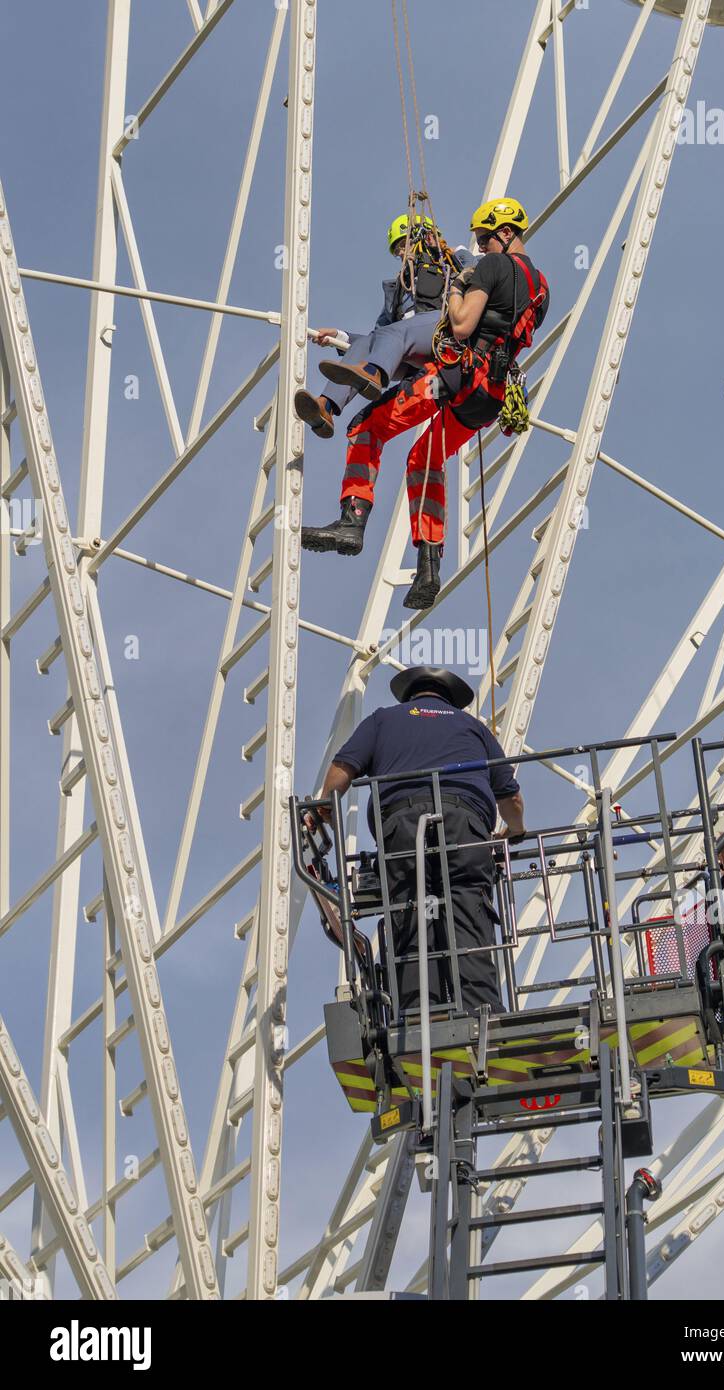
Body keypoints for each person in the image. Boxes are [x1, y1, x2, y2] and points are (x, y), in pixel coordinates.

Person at [301, 197, 549, 611]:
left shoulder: (488, 265)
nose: (482, 244)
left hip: (455, 378)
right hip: (490, 397)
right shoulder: (541, 287)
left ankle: (352, 521)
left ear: (505, 234)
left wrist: (455, 290)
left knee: (367, 427)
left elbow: (462, 324)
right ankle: (429, 567)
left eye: (486, 238)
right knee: (425, 459)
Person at [319, 666, 526, 1016]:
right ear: (450, 699)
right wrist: (516, 831)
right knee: (468, 909)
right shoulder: (472, 727)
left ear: (410, 695)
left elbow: (341, 773)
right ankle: (482, 1013)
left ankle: (417, 1013)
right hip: (465, 826)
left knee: (411, 907)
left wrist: (324, 807)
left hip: (403, 826)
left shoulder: (383, 720)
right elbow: (512, 800)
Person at [294, 214, 475, 439]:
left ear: (421, 236)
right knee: (371, 341)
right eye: (396, 249)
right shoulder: (399, 288)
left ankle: (373, 373)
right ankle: (325, 407)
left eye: (402, 244)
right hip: (407, 347)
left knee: (391, 333)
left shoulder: (452, 258)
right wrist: (340, 337)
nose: (400, 253)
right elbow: (378, 337)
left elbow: (479, 278)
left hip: (442, 329)